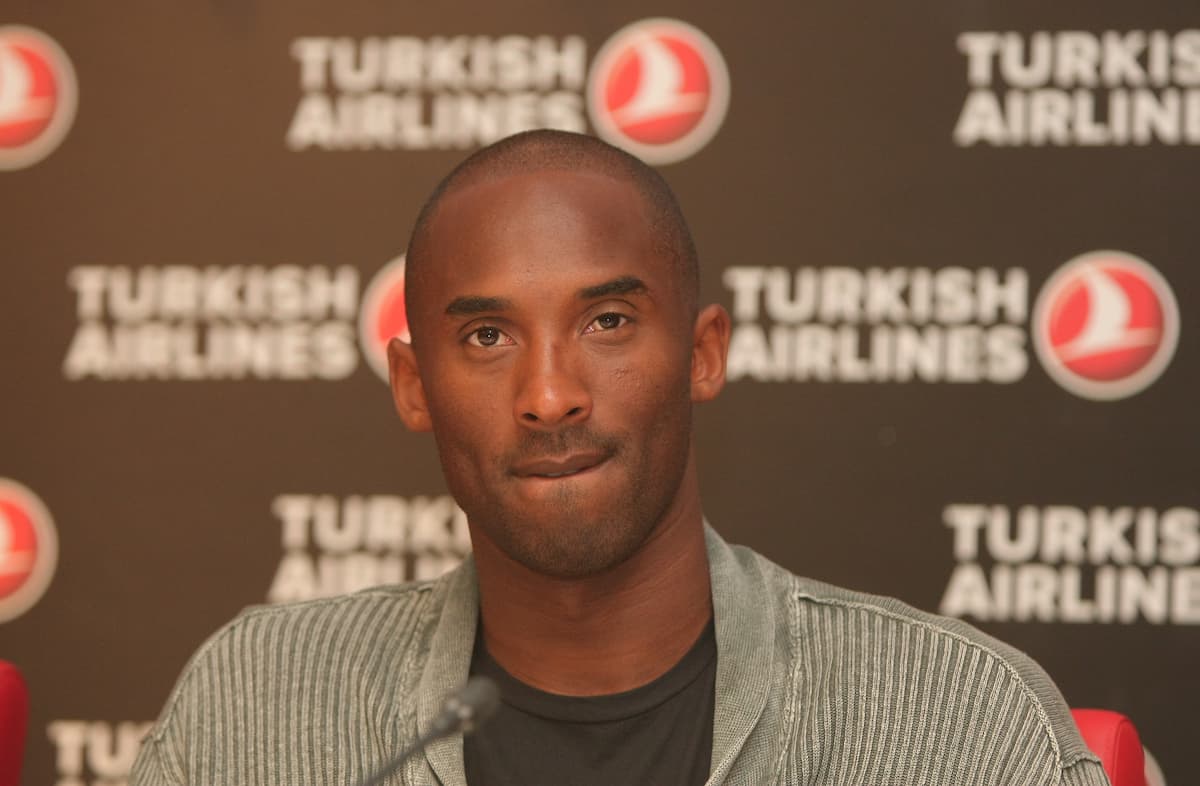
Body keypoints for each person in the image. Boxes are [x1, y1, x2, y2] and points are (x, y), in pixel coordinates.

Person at [130, 130, 1109, 786]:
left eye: (606, 320)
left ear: (703, 353)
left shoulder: (959, 724)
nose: (550, 395)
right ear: (413, 386)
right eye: (486, 337)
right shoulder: (250, 711)